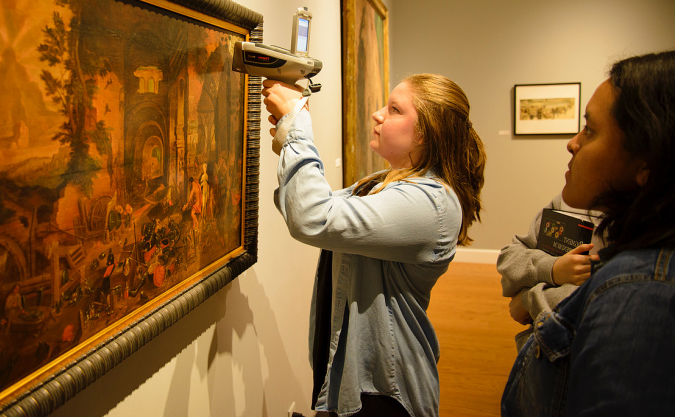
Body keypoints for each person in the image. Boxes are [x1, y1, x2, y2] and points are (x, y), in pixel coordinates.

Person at [262, 74, 486, 417]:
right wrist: (291, 131)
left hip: (385, 390)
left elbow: (311, 216)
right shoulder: (381, 183)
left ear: (427, 131)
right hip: (357, 377)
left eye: (395, 109)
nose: (378, 114)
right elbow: (304, 205)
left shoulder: (430, 203)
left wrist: (297, 124)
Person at [501, 51, 675, 415]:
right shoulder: (568, 215)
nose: (573, 143)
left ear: (647, 164)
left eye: (591, 130)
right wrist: (548, 276)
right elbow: (511, 257)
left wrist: (529, 300)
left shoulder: (641, 295)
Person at [496, 194, 602, 351]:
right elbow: (508, 260)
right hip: (538, 354)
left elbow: (600, 301)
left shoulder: (637, 220)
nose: (569, 167)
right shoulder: (566, 202)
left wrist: (527, 300)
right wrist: (553, 269)